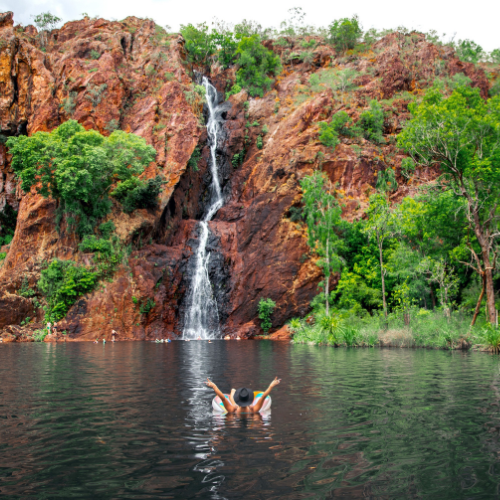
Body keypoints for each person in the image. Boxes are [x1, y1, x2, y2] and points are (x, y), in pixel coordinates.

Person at [206, 377, 281, 414]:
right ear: (249, 400)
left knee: (232, 392)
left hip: (236, 411)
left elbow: (222, 398)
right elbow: (263, 396)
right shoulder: (253, 410)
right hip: (249, 411)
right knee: (234, 397)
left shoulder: (233, 410)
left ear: (238, 400)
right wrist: (271, 386)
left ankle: (233, 391)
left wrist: (214, 386)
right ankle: (234, 392)